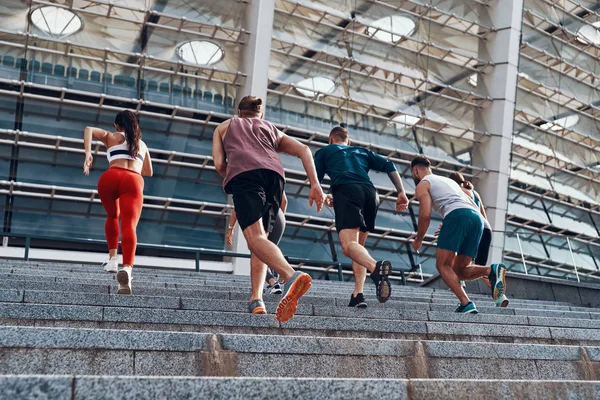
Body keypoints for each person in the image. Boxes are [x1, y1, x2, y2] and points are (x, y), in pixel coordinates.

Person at [212, 95, 326, 322]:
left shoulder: (224, 127)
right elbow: (304, 149)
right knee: (261, 240)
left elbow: (218, 164)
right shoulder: (271, 128)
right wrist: (315, 184)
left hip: (245, 175)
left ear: (239, 111)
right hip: (275, 177)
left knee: (254, 239)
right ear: (260, 114)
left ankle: (290, 275)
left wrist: (235, 174)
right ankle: (256, 300)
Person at [315, 126, 409, 307]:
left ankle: (376, 269)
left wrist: (323, 194)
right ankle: (358, 294)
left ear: (331, 140)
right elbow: (389, 164)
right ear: (348, 141)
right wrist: (402, 192)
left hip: (347, 190)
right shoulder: (361, 151)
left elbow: (316, 180)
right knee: (358, 248)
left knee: (348, 246)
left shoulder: (325, 151)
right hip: (371, 194)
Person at [410, 156, 506, 313]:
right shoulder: (448, 181)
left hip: (457, 215)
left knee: (442, 264)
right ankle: (491, 270)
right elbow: (470, 201)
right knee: (460, 270)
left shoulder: (423, 184)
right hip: (477, 220)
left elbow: (425, 215)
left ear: (415, 170)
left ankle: (466, 302)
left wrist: (419, 239)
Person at [83, 110, 153, 295]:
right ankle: (127, 269)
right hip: (133, 180)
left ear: (116, 125)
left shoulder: (111, 136)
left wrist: (88, 154)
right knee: (129, 225)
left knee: (113, 215)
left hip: (110, 177)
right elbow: (149, 172)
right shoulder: (142, 145)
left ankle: (113, 259)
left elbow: (89, 129)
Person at [448, 172, 509, 308]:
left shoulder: (456, 191)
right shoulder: (475, 193)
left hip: (470, 228)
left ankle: (459, 283)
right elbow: (483, 215)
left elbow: (459, 212)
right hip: (485, 229)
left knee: (452, 256)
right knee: (481, 269)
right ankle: (500, 297)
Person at [226, 193, 288, 295]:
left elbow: (238, 206)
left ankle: (273, 283)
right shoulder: (272, 176)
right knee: (268, 253)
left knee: (259, 254)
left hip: (261, 214)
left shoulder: (247, 181)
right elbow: (284, 201)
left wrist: (230, 228)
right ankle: (282, 267)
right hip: (278, 215)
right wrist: (278, 216)